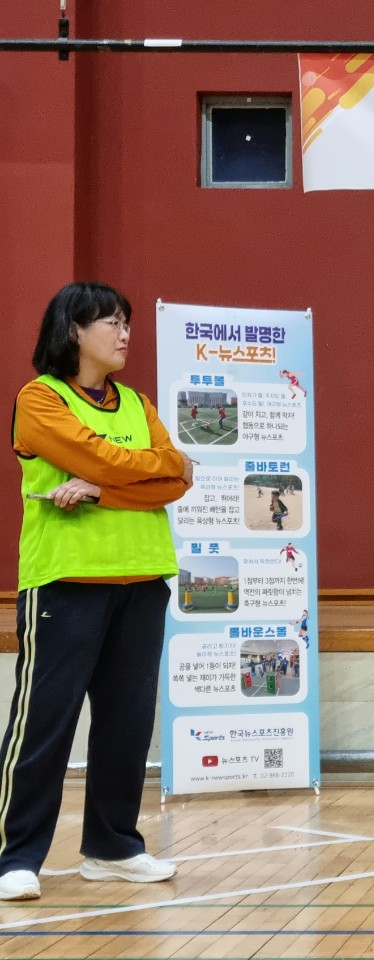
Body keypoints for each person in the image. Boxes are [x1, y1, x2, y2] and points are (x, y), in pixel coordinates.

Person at [1, 283, 195, 901]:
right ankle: (15, 856)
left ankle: (112, 848)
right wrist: (148, 467)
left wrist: (101, 490)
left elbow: (177, 481)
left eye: (126, 322)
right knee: (44, 722)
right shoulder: (40, 399)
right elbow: (132, 463)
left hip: (142, 579)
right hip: (66, 581)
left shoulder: (137, 402)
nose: (125, 332)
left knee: (126, 723)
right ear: (73, 331)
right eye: (111, 322)